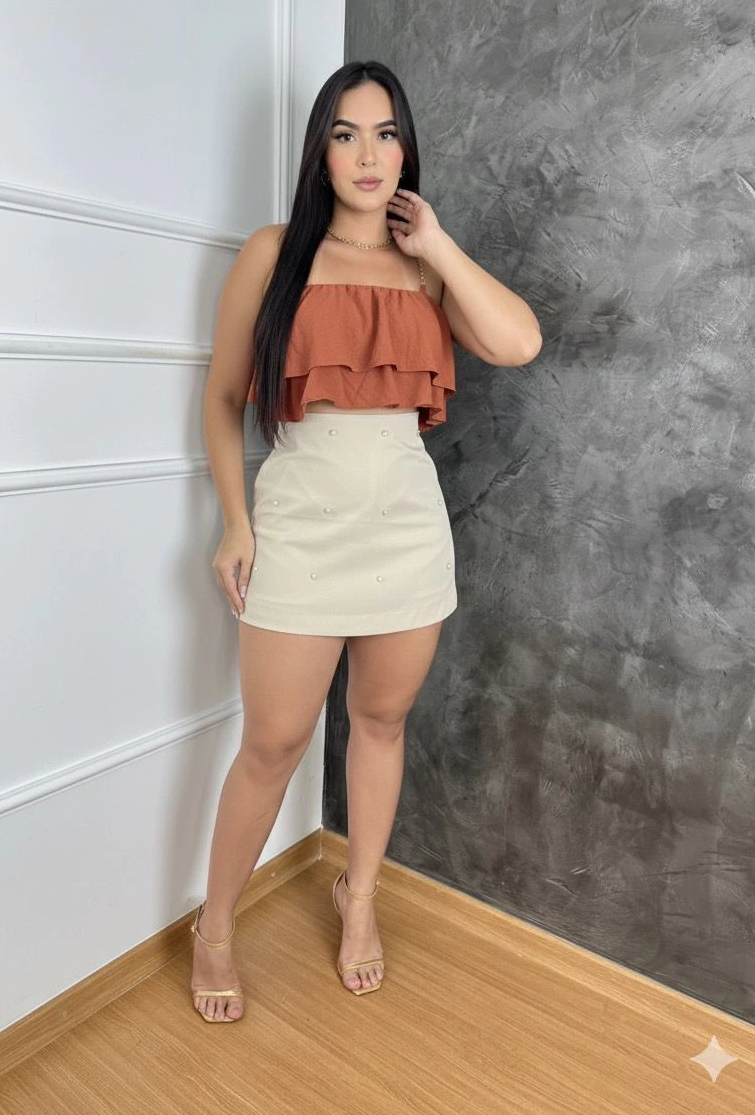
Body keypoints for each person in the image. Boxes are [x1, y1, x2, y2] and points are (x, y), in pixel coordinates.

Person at [192, 60, 542, 1022]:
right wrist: (234, 521)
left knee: (382, 724)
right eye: (346, 134)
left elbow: (518, 343)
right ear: (321, 152)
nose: (368, 154)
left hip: (405, 529)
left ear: (407, 151)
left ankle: (361, 898)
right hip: (299, 527)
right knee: (273, 743)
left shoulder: (424, 265)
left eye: (386, 134)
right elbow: (222, 399)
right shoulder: (274, 254)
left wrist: (439, 242)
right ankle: (214, 928)